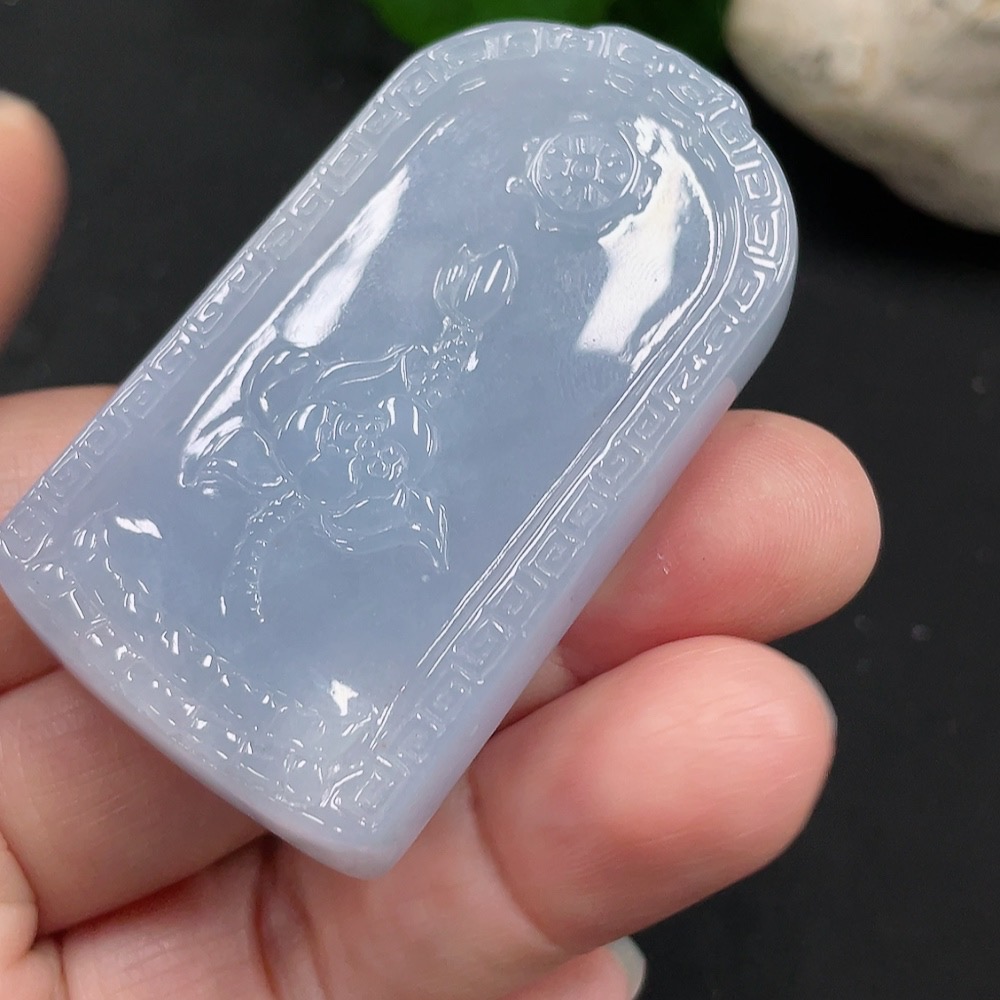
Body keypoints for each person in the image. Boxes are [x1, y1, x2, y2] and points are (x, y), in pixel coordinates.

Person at [0, 92, 881, 1000]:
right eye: (573, 158)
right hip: (241, 527)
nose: (581, 172)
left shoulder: (686, 254)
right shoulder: (465, 155)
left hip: (360, 625)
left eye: (601, 172)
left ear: (625, 196)